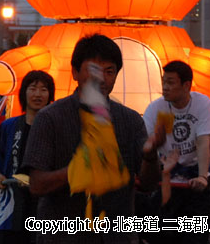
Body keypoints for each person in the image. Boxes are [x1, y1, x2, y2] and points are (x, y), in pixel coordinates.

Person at [21, 33, 164, 243]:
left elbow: (149, 185)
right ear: (75, 72)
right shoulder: (50, 118)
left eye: (109, 71)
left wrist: (150, 156)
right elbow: (36, 185)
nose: (102, 78)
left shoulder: (130, 120)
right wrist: (76, 171)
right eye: (94, 70)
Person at [142, 61, 210, 244]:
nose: (165, 88)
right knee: (160, 234)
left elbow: (202, 141)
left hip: (194, 176)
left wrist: (202, 177)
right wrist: (152, 145)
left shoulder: (202, 103)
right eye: (163, 82)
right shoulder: (157, 108)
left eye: (170, 82)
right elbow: (147, 145)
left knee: (195, 237)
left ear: (186, 85)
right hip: (167, 177)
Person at [0, 70, 55, 244]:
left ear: (50, 95)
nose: (37, 94)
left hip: (44, 206)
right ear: (24, 92)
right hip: (11, 203)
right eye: (33, 88)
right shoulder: (9, 126)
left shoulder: (55, 128)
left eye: (43, 89)